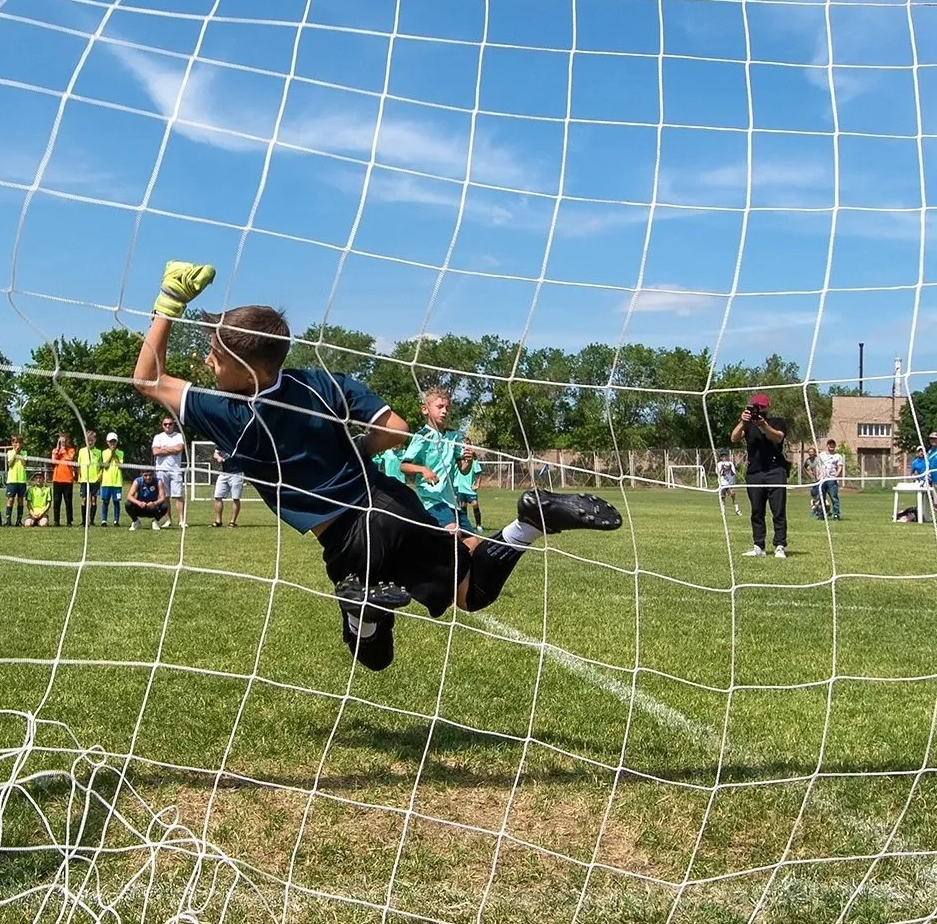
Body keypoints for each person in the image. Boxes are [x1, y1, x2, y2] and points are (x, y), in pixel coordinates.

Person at [131, 259, 620, 671]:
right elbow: (397, 428)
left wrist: (169, 302)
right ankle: (528, 523)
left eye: (216, 356)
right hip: (390, 499)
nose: (209, 363)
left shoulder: (230, 412)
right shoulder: (320, 383)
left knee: (373, 657)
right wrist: (359, 453)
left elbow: (147, 379)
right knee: (471, 589)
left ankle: (359, 610)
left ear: (249, 368)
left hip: (349, 537)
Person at [393, 387, 465, 527]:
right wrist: (423, 470)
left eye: (447, 408)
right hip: (431, 499)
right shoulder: (422, 436)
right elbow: (404, 465)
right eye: (439, 407)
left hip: (451, 500)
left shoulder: (453, 436)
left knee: (472, 543)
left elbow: (464, 469)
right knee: (453, 531)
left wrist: (467, 459)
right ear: (425, 409)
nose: (444, 411)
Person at [733, 395, 790, 559]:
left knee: (778, 510)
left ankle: (780, 545)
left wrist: (764, 425)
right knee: (756, 511)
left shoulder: (777, 421)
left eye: (761, 407)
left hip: (775, 471)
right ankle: (759, 546)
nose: (758, 410)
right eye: (756, 407)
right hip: (754, 473)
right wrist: (743, 422)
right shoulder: (748, 425)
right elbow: (734, 437)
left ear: (767, 407)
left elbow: (778, 437)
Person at [151, 415, 188, 526]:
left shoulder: (179, 436)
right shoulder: (158, 437)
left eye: (170, 424)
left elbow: (179, 449)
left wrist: (163, 449)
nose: (168, 426)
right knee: (165, 496)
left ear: (173, 425)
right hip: (161, 470)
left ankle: (182, 520)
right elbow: (155, 452)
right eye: (165, 424)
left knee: (178, 495)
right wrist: (171, 449)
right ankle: (168, 520)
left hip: (175, 470)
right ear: (162, 426)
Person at [209, 445, 246, 528]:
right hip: (224, 473)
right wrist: (218, 457)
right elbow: (216, 453)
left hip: (237, 473)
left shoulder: (237, 443)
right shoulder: (222, 442)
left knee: (235, 498)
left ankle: (232, 522)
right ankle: (218, 521)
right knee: (217, 497)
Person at [98, 432, 127, 525]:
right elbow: (105, 466)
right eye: (111, 442)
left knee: (116, 501)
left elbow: (120, 466)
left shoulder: (121, 453)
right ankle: (104, 520)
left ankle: (116, 520)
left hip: (117, 482)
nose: (112, 444)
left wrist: (115, 455)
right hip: (106, 482)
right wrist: (111, 454)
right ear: (107, 442)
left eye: (114, 442)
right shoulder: (104, 452)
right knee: (105, 501)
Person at [49, 434, 77, 527]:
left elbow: (69, 459)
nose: (63, 443)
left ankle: (69, 521)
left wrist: (64, 451)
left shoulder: (71, 450)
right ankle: (56, 521)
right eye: (61, 441)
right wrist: (57, 450)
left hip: (68, 479)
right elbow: (53, 462)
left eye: (64, 441)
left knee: (68, 501)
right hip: (57, 479)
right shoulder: (55, 451)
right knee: (57, 501)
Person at [454, 448, 483, 532]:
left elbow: (479, 473)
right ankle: (465, 526)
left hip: (470, 488)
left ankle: (478, 525)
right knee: (463, 506)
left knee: (475, 504)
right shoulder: (458, 461)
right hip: (460, 487)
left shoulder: (474, 461)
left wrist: (477, 484)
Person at [77, 433, 103, 525]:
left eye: (92, 440)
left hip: (94, 480)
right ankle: (83, 521)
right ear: (85, 440)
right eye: (88, 440)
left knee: (93, 500)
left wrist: (99, 476)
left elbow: (101, 466)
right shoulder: (81, 451)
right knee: (84, 499)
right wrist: (79, 476)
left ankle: (91, 521)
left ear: (95, 440)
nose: (90, 442)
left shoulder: (99, 452)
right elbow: (79, 465)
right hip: (84, 479)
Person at [3, 437, 30, 527]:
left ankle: (19, 521)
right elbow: (10, 464)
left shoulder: (24, 453)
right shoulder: (10, 452)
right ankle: (8, 520)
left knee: (20, 500)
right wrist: (15, 453)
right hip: (12, 480)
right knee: (10, 499)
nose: (17, 444)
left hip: (21, 480)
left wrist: (20, 454)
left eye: (19, 443)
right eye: (15, 442)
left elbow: (24, 463)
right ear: (12, 443)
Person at [715, 452, 739, 517]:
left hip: (730, 483)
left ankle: (737, 510)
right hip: (722, 484)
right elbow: (718, 473)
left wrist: (729, 468)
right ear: (721, 458)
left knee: (733, 495)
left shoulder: (731, 463)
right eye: (723, 456)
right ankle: (723, 511)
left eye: (725, 456)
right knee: (722, 497)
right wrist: (723, 469)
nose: (724, 458)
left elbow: (733, 473)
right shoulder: (719, 464)